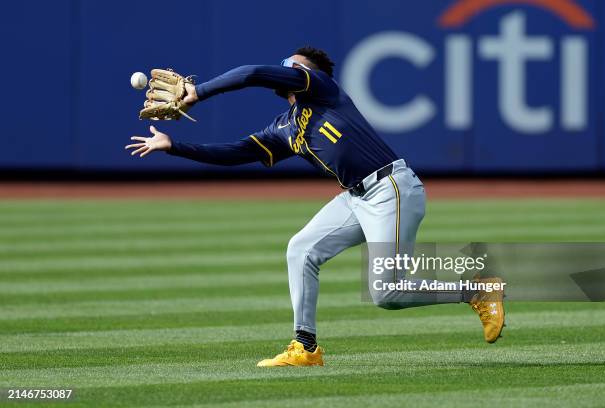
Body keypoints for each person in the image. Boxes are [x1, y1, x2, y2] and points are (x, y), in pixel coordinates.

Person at [125, 46, 505, 367]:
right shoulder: (285, 126)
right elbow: (237, 153)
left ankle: (476, 289)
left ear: (308, 73)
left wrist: (199, 90)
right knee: (301, 248)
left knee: (386, 294)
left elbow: (254, 72)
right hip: (356, 197)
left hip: (390, 188)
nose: (286, 70)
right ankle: (305, 347)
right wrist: (175, 147)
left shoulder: (322, 88)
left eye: (292, 66)